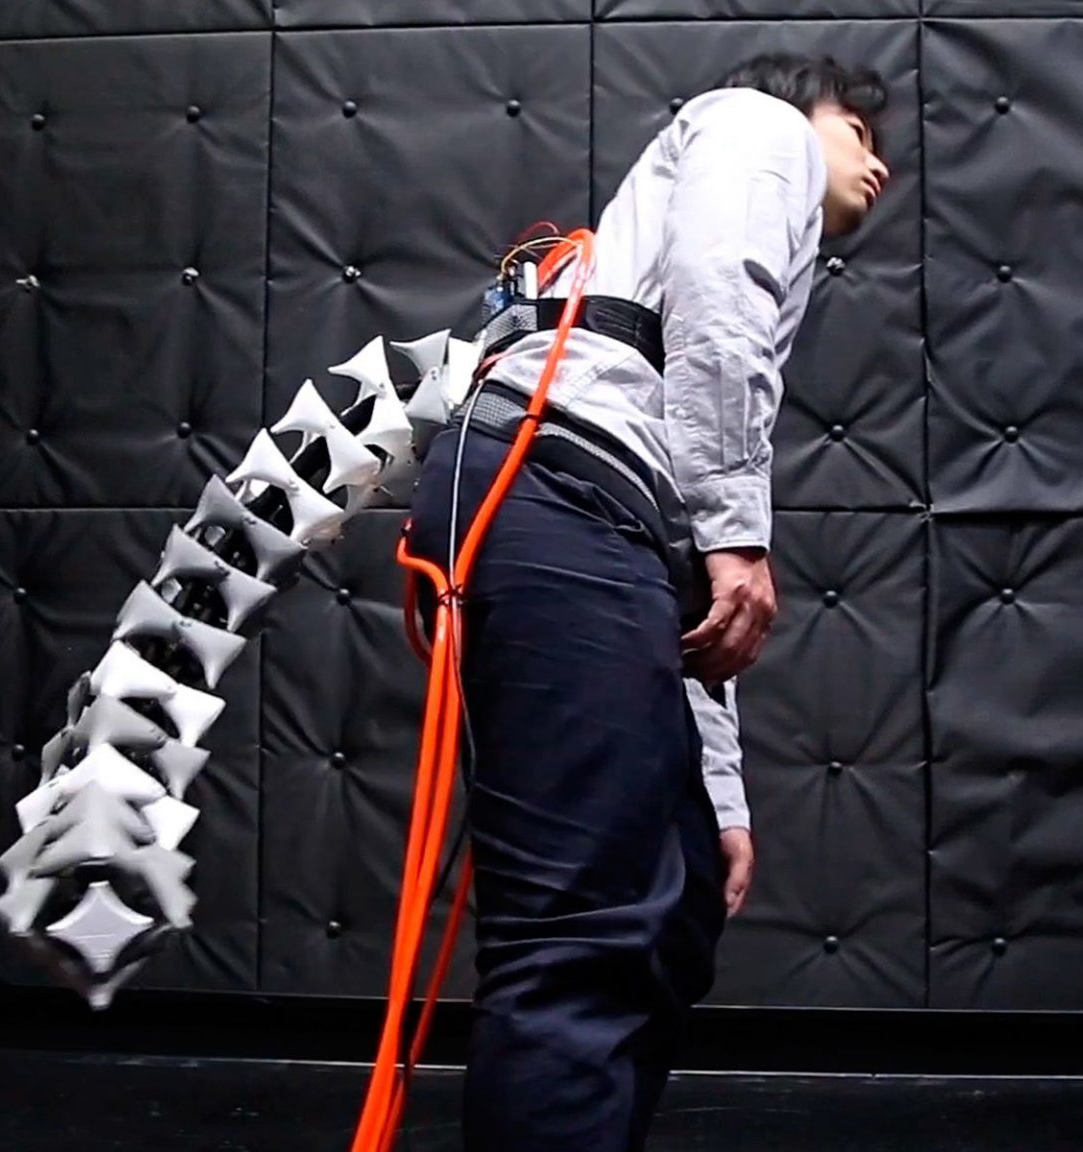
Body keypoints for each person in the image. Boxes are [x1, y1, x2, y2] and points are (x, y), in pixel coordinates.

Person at [402, 51, 892, 1151]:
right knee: (582, 930)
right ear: (803, 110)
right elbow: (722, 298)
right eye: (861, 132)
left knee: (668, 912)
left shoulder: (661, 381)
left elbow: (687, 595)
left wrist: (719, 797)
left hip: (599, 517)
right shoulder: (758, 123)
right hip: (557, 493)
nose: (880, 165)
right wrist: (739, 533)